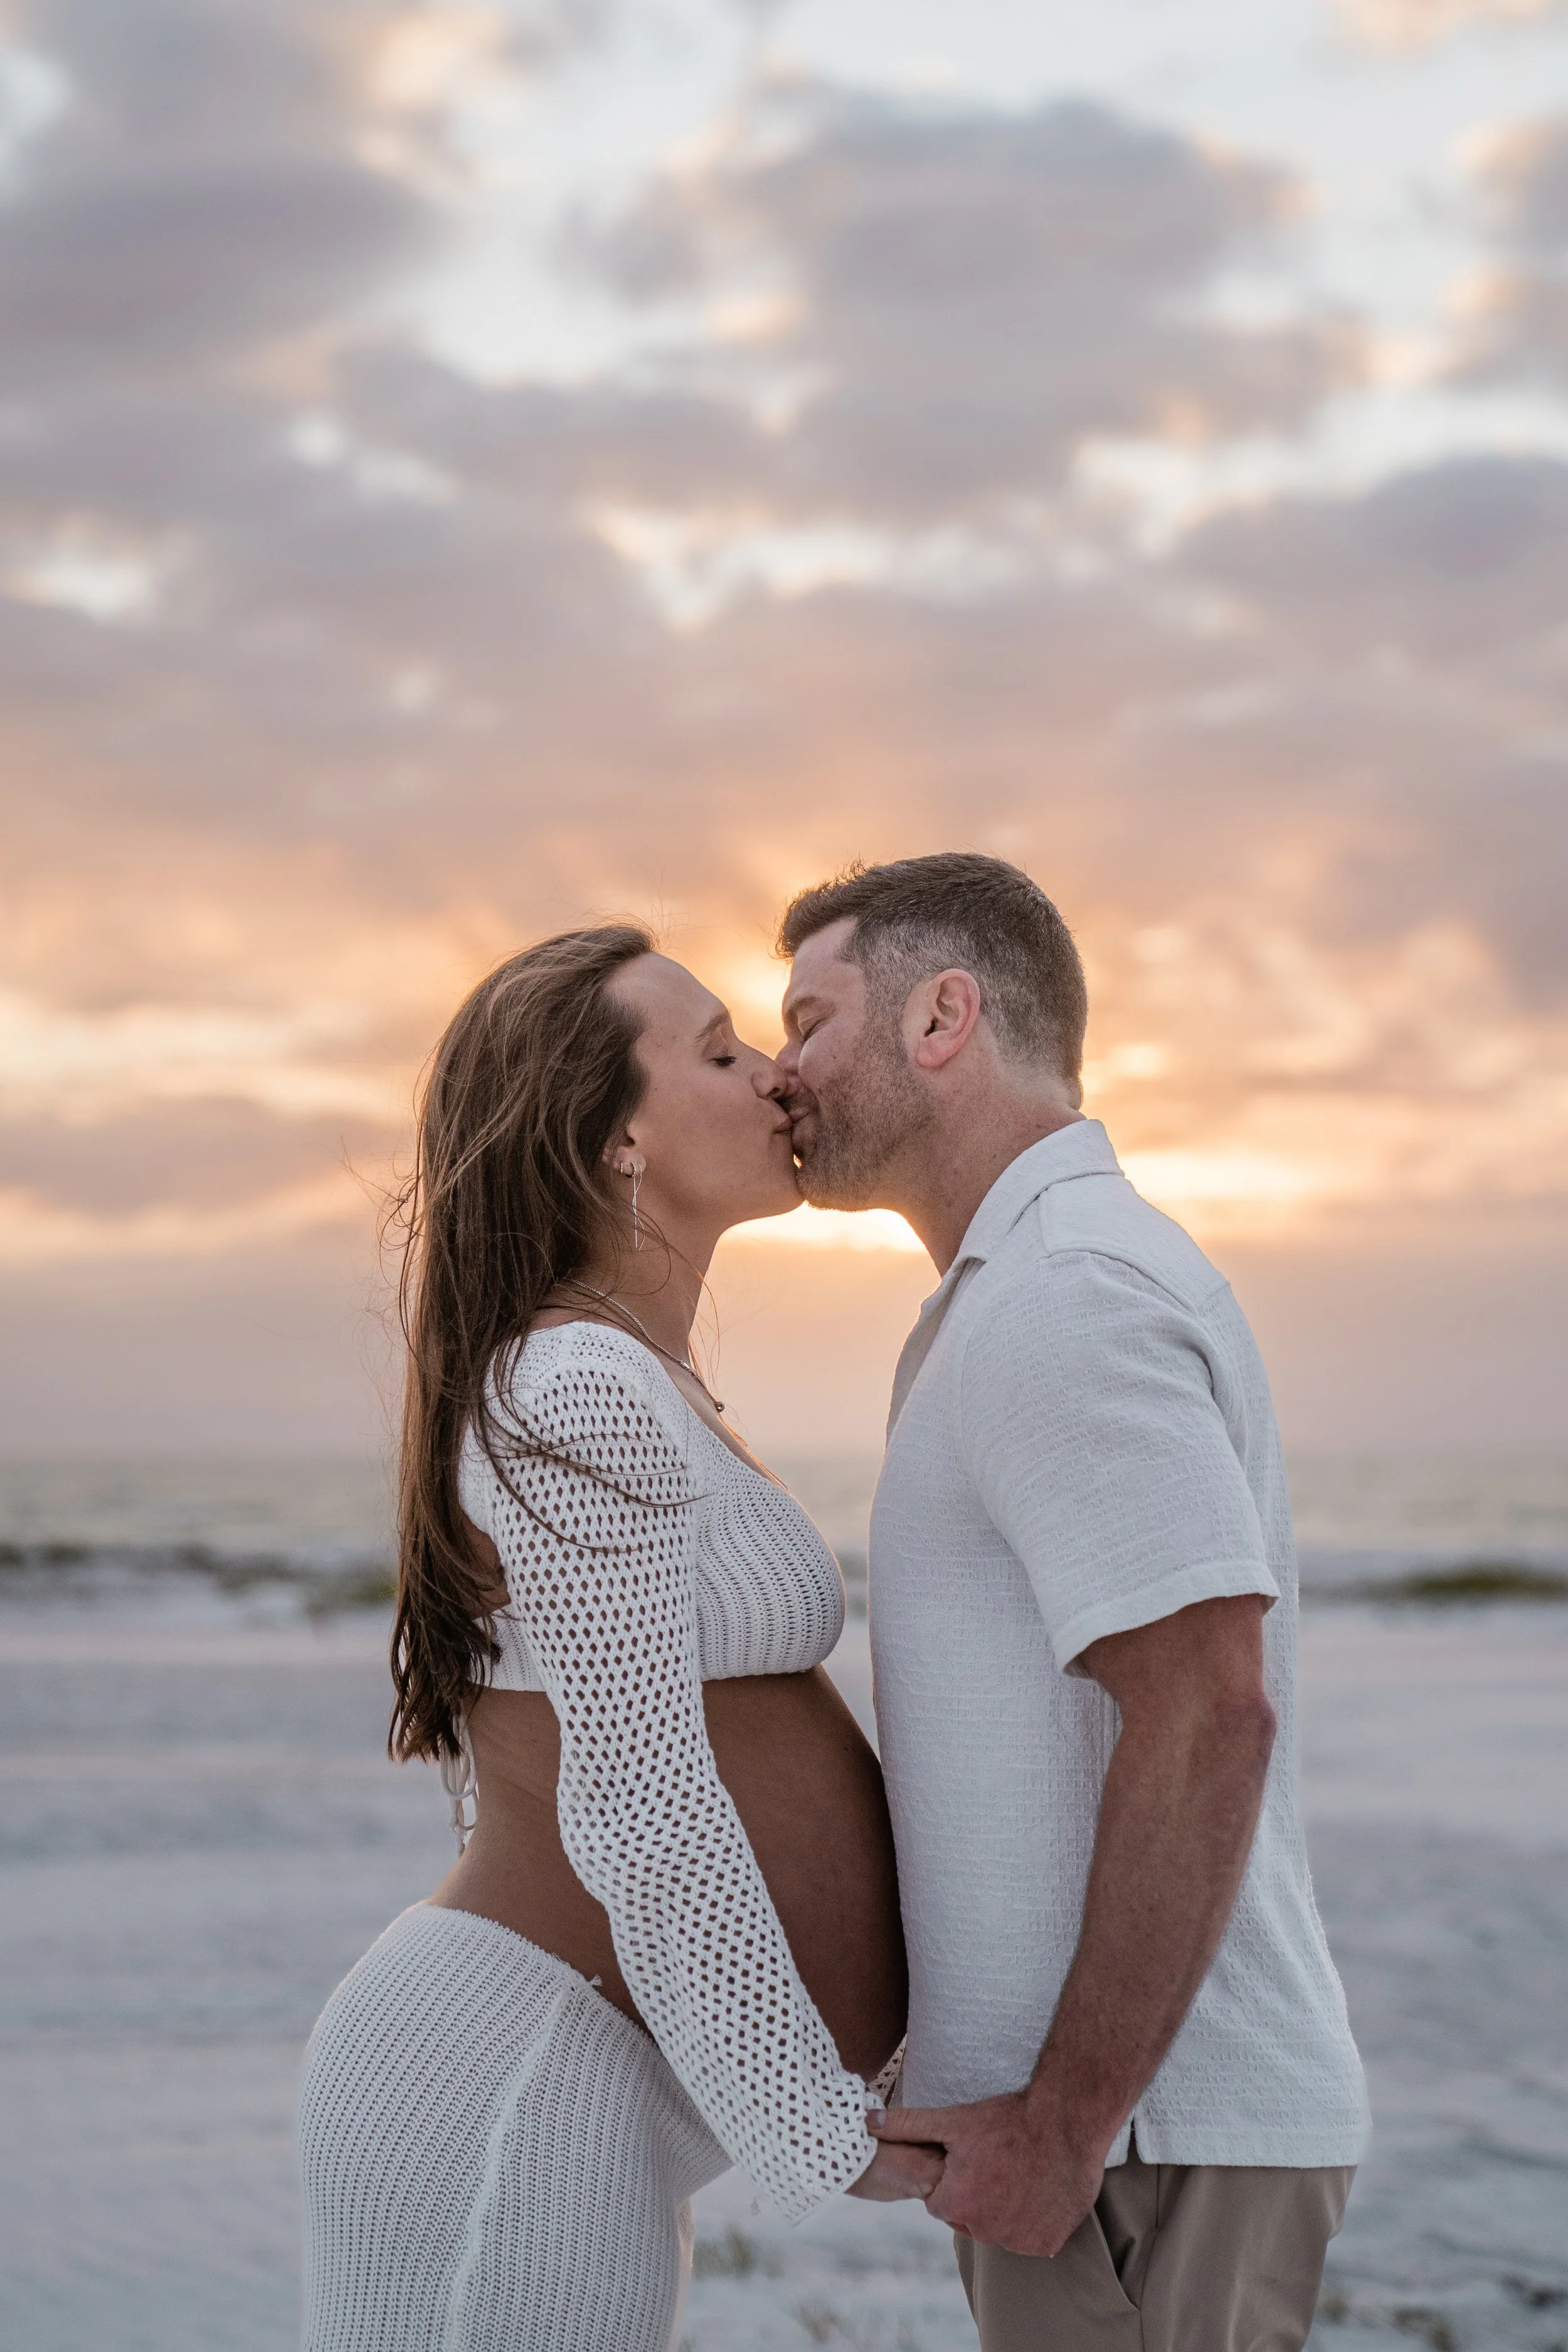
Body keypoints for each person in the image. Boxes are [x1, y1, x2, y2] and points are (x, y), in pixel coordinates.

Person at [297, 923, 938, 2352]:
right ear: (612, 1145)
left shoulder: (628, 1375)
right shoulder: (576, 1382)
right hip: (511, 2070)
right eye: (718, 1052)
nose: (774, 1077)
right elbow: (637, 1798)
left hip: (572, 2070)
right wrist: (812, 2125)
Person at [774, 854, 1370, 2352]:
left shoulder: (1063, 1296)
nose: (780, 1071)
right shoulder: (1009, 1295)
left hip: (1140, 2152)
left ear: (940, 1018)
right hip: (1108, 2151)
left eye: (805, 1018)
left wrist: (1065, 2122)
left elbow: (1207, 1714)